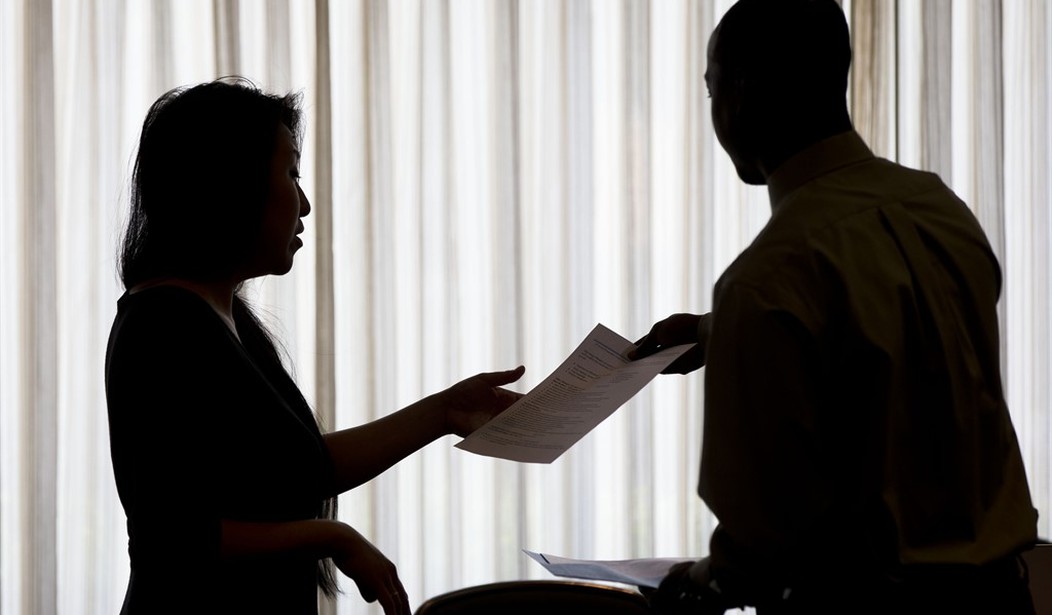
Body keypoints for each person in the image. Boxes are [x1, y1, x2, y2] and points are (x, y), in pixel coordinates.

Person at [629, 1, 1039, 613]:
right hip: (1003, 598)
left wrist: (687, 583)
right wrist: (717, 333)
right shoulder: (937, 209)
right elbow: (894, 334)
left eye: (712, 90)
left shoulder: (766, 280)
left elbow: (758, 546)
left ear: (742, 93)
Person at [105, 78, 525, 615]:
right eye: (291, 174)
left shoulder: (220, 317)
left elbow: (299, 470)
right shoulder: (162, 326)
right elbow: (171, 537)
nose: (303, 204)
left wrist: (445, 411)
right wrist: (332, 536)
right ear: (230, 183)